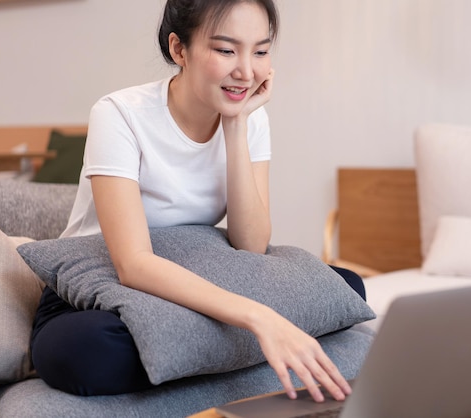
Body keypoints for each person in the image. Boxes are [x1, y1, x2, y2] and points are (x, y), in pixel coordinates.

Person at [30, 0, 365, 403]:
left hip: (199, 280)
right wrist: (259, 317)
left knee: (346, 287)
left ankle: (195, 353)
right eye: (226, 50)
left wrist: (236, 124)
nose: (246, 71)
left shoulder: (251, 117)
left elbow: (251, 244)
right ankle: (230, 350)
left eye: (260, 51)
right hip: (102, 294)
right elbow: (132, 263)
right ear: (178, 49)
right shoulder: (119, 114)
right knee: (82, 352)